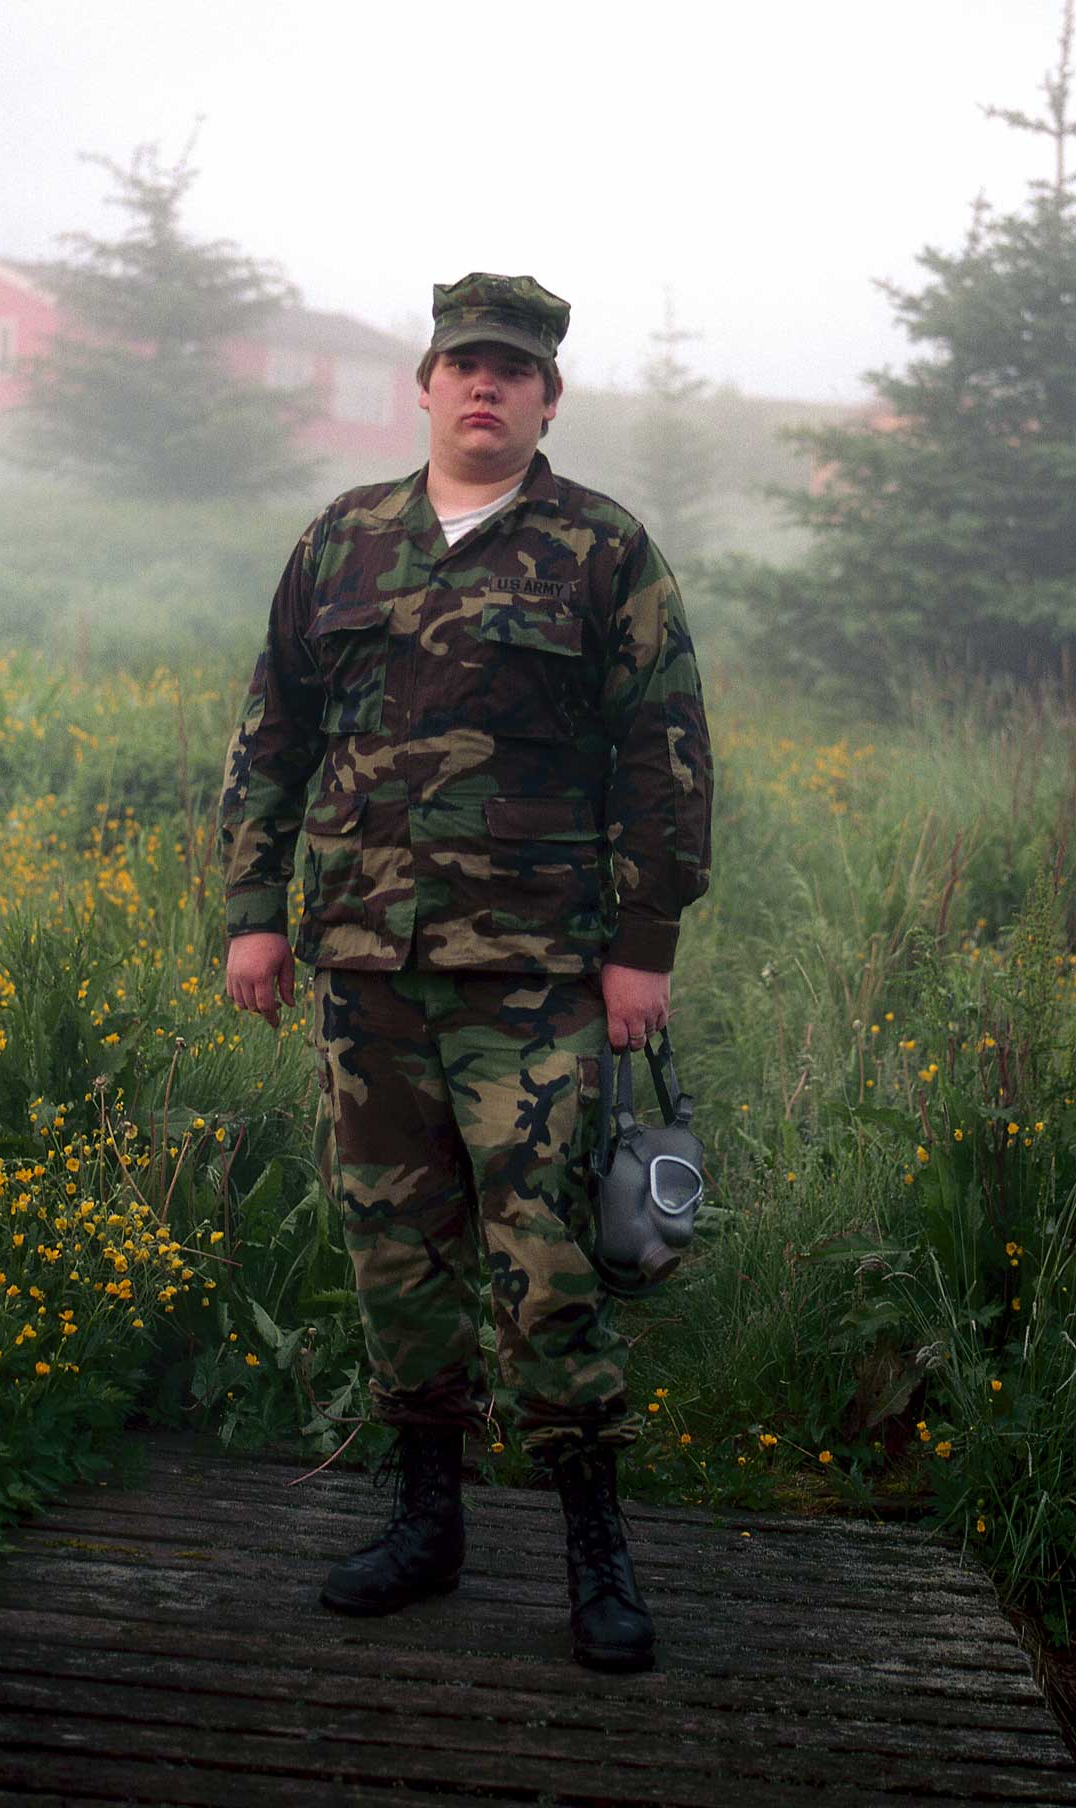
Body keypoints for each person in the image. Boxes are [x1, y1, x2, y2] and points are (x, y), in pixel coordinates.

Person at [218, 271, 713, 1672]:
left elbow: (664, 755)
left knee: (544, 1254)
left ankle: (593, 1552)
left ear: (547, 397)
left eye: (512, 369)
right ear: (425, 388)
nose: (484, 386)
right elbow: (274, 729)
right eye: (462, 365)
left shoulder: (602, 551)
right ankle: (425, 1526)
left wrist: (642, 948)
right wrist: (257, 910)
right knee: (391, 1248)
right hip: (366, 969)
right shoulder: (343, 543)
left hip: (533, 976)